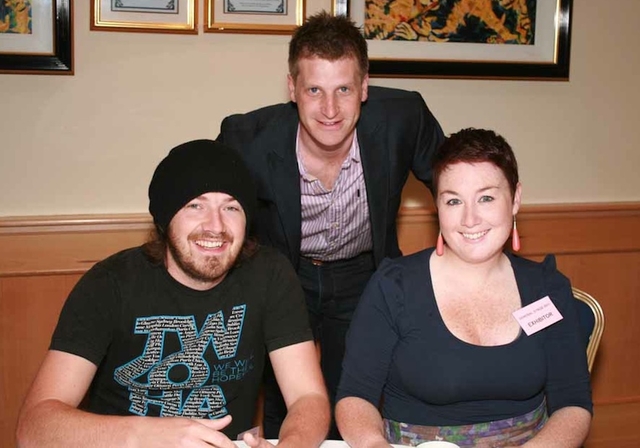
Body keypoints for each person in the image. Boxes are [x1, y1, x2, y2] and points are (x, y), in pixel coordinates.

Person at [216, 11, 444, 438]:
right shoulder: (247, 138)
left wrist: (473, 227)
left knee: (350, 395)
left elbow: (455, 174)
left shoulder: (403, 118)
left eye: (343, 89)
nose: (330, 109)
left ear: (364, 87)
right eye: (314, 90)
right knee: (288, 396)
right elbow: (201, 197)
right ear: (292, 89)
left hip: (362, 273)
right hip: (285, 273)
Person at [15, 139, 330, 448]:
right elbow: (35, 428)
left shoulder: (270, 275)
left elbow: (308, 397)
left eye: (231, 207)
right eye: (195, 205)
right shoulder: (109, 285)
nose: (216, 226)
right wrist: (149, 436)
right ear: (165, 219)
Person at [335, 128, 593, 447]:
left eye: (486, 197)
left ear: (515, 199)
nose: (470, 219)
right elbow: (355, 397)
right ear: (437, 207)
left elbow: (573, 404)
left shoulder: (547, 288)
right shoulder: (394, 287)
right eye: (454, 200)